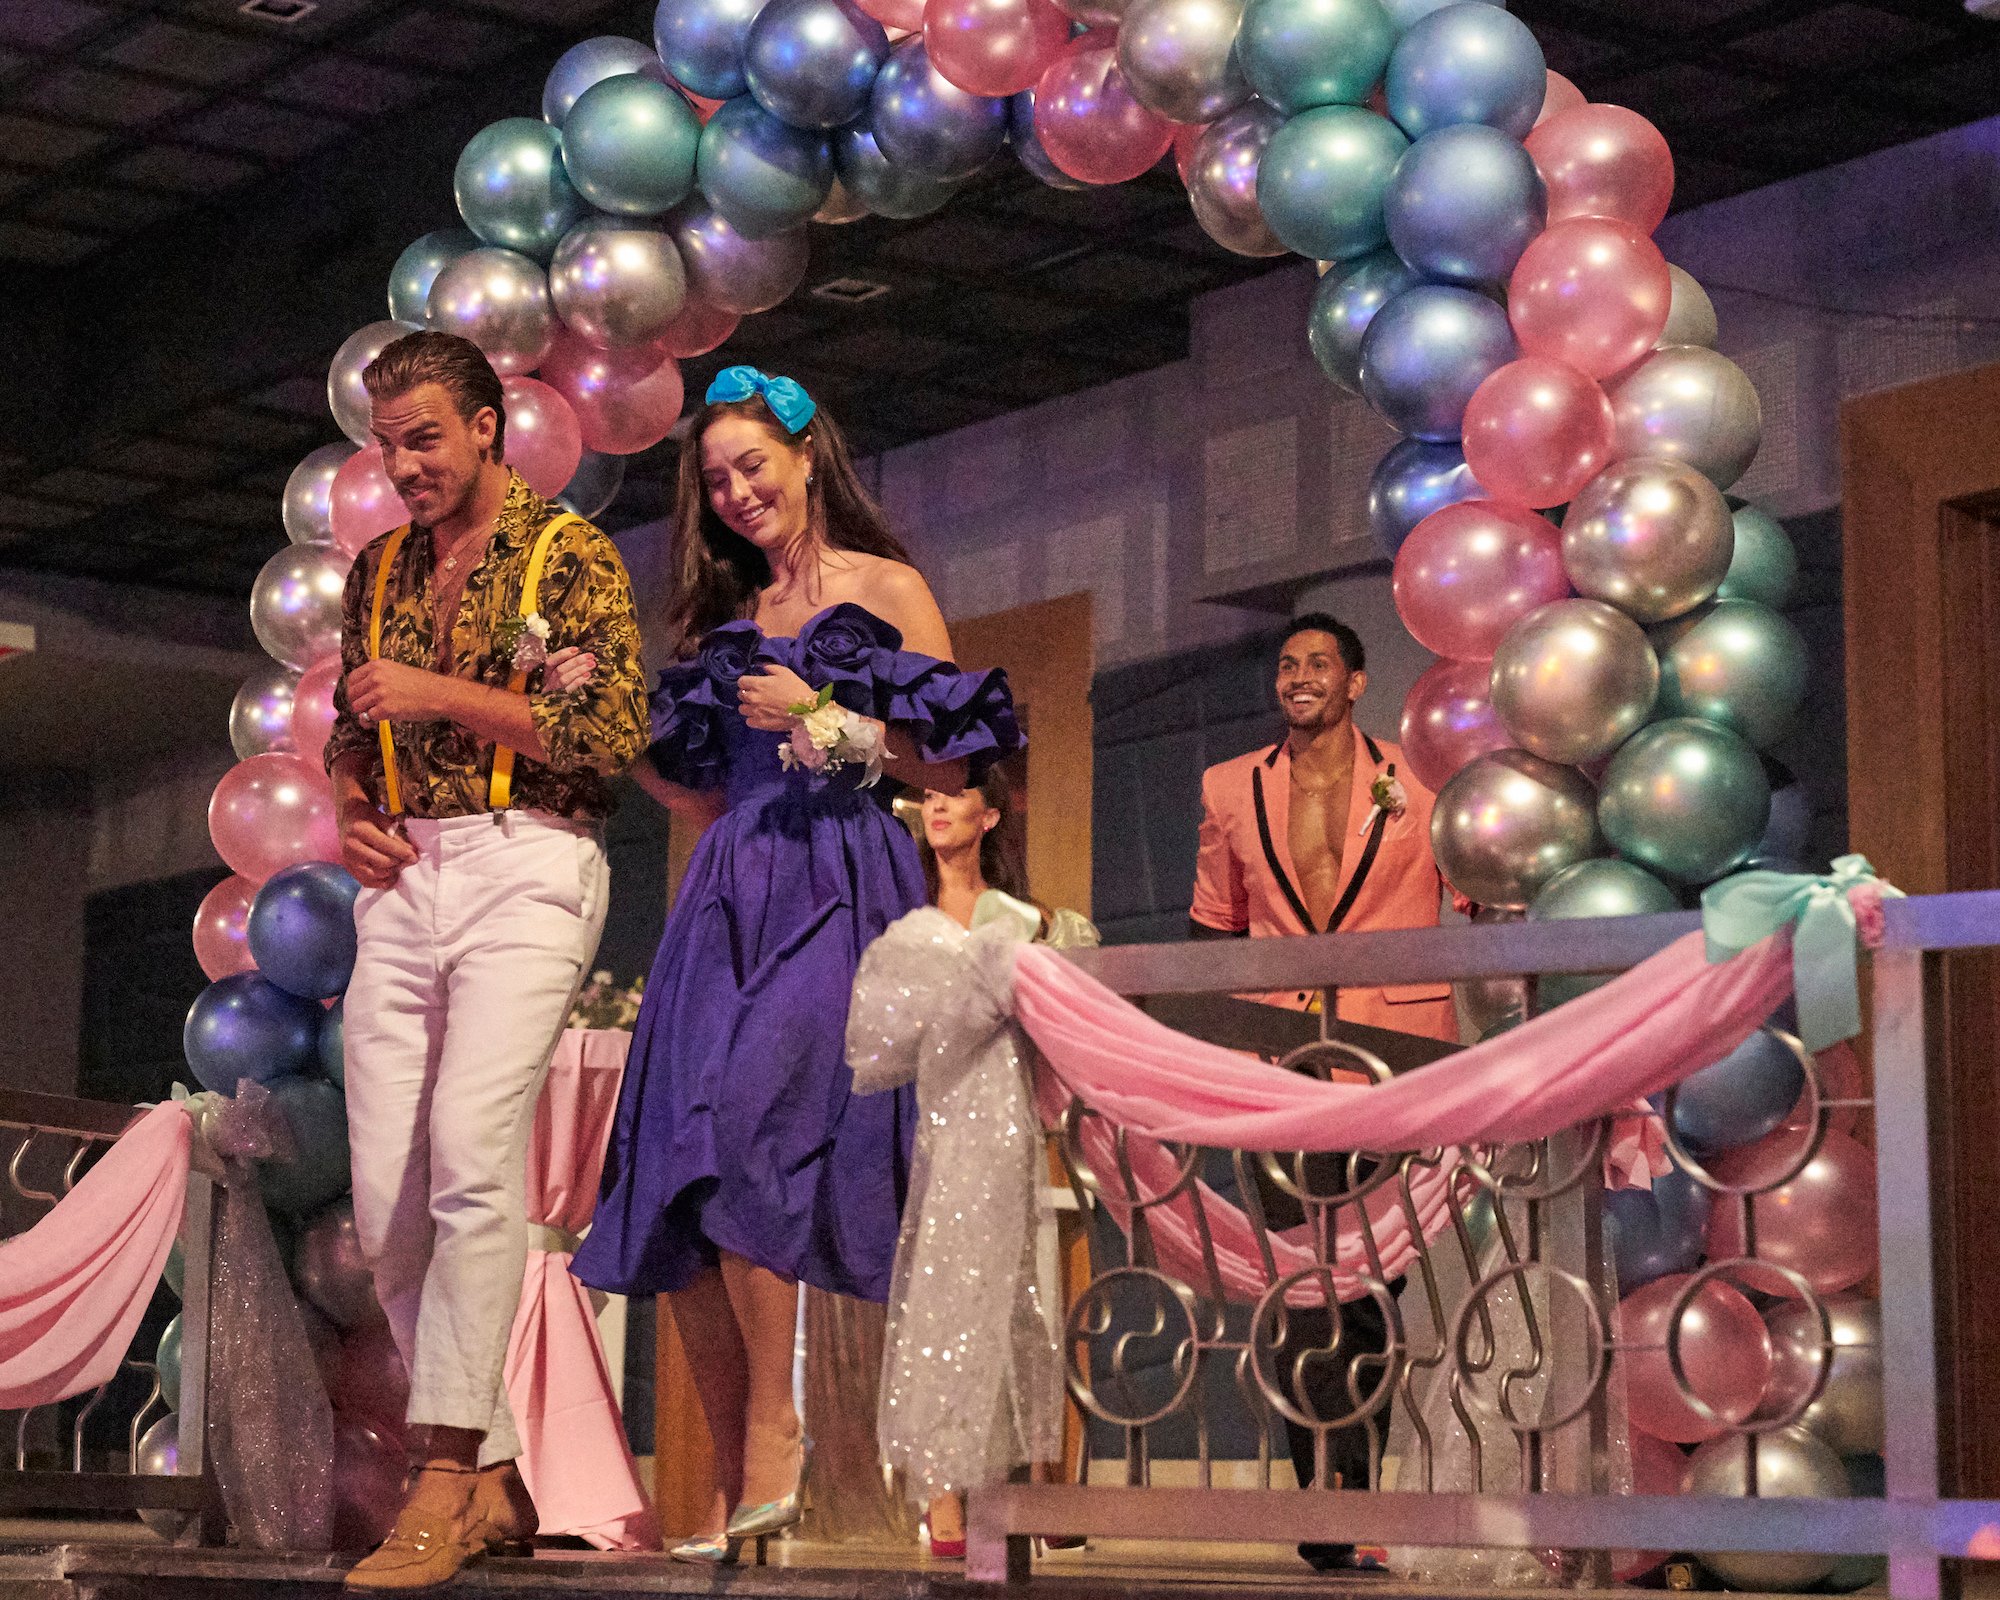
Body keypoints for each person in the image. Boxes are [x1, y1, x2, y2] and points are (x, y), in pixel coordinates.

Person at [570, 366, 1022, 1567]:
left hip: (842, 876)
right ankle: (734, 1483)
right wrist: (614, 737)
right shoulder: (721, 625)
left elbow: (952, 771)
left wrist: (824, 721)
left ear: (805, 453)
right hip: (731, 885)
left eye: (749, 466)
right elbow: (705, 784)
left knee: (749, 1124)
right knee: (676, 1159)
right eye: (714, 482)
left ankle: (778, 1432)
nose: (734, 493)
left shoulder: (889, 590)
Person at [323, 330, 647, 1590]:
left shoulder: (570, 557)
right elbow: (356, 722)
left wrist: (434, 693)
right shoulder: (378, 567)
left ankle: (443, 1471)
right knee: (383, 1209)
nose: (403, 465)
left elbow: (608, 730)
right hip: (409, 873)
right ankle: (501, 1466)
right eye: (386, 443)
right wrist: (346, 799)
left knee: (470, 1154)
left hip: (532, 860)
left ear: (486, 430)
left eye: (424, 439)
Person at [1186, 611, 1455, 1574]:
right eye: (1287, 663)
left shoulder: (1424, 777)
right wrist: (1224, 1054)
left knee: (1373, 1283)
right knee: (1304, 1283)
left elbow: (1472, 899)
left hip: (1394, 1052)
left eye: (1319, 664)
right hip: (1276, 1067)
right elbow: (1217, 929)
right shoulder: (1229, 787)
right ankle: (1320, 1496)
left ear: (1356, 683)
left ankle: (1369, 1494)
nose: (1298, 676)